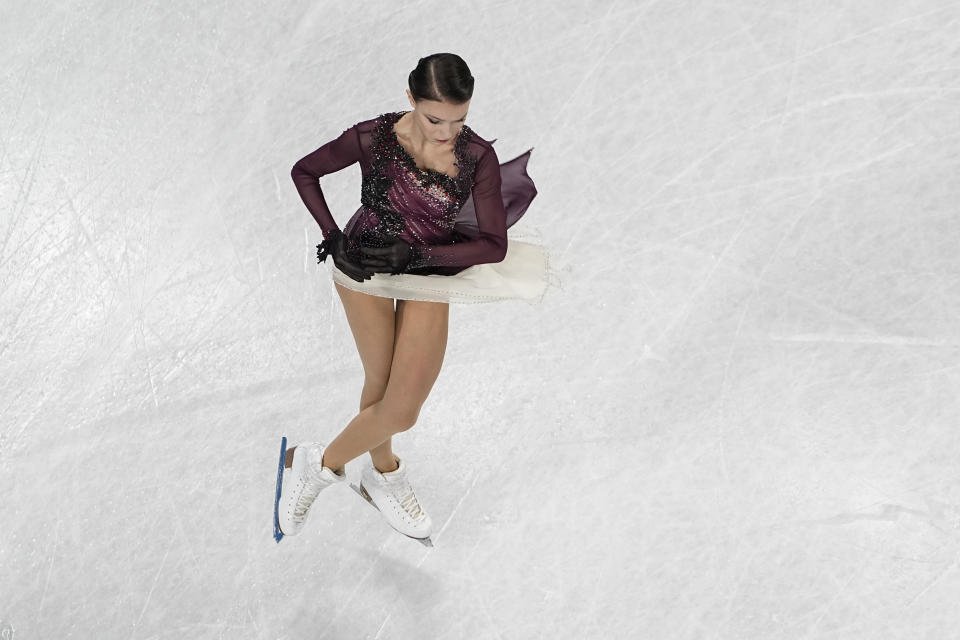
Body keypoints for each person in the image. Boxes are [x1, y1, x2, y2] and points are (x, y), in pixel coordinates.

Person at [274, 53, 554, 543]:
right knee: (380, 387)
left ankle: (314, 464)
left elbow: (494, 245)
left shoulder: (475, 157)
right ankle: (382, 474)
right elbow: (304, 171)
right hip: (363, 269)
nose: (448, 132)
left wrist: (417, 254)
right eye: (435, 118)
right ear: (411, 100)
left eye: (460, 119)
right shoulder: (373, 137)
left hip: (429, 268)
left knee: (401, 408)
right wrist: (332, 234)